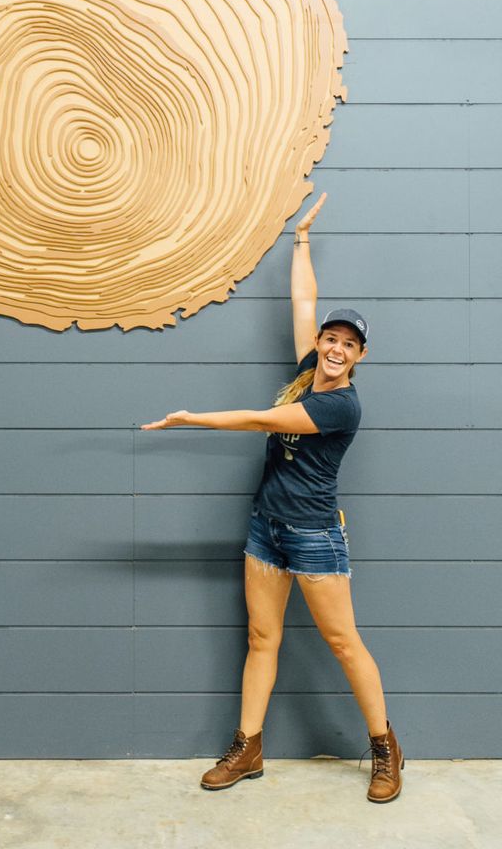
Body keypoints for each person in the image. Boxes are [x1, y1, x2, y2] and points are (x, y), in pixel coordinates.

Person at [141, 192, 404, 803]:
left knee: (343, 642)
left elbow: (265, 422)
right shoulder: (310, 366)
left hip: (313, 535)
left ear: (360, 357)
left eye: (347, 345)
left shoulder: (339, 404)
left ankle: (386, 750)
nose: (335, 349)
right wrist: (303, 239)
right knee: (262, 639)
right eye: (330, 339)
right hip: (267, 529)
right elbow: (302, 300)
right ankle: (248, 747)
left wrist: (193, 419)